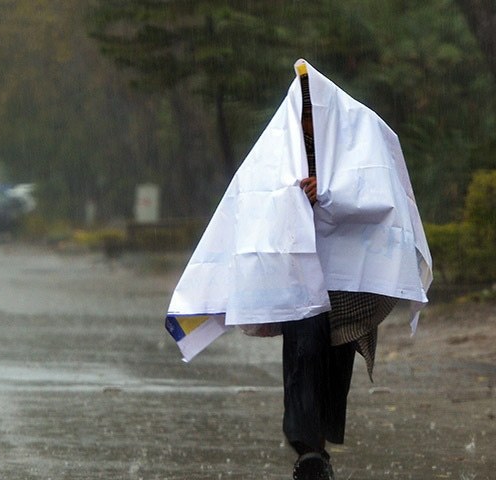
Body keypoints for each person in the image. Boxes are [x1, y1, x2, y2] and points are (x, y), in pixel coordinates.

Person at [164, 59, 432, 480]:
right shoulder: (281, 145)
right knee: (303, 354)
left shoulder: (362, 131)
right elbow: (254, 199)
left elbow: (381, 195)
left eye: (312, 115)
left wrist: (327, 193)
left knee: (335, 360)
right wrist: (295, 197)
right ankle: (308, 451)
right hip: (301, 275)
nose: (307, 124)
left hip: (348, 283)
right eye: (302, 116)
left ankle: (318, 448)